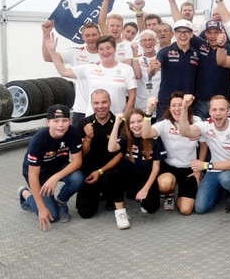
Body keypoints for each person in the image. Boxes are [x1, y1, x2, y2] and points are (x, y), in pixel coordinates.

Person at [178, 94, 230, 214]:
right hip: (216, 168)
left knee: (226, 178)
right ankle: (223, 190)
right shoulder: (206, 124)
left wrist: (205, 166)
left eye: (222, 109)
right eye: (214, 110)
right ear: (210, 112)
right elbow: (185, 131)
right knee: (201, 208)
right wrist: (185, 108)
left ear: (229, 111)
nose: (218, 113)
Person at [18, 105, 84, 230]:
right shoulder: (38, 140)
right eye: (56, 121)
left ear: (69, 121)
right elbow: (33, 176)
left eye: (64, 120)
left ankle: (60, 203)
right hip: (39, 173)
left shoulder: (73, 132)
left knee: (78, 178)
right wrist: (42, 209)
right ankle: (25, 194)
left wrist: (55, 178)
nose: (61, 125)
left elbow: (77, 162)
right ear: (47, 122)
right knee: (52, 216)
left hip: (58, 167)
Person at [45, 34, 137, 116]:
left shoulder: (127, 69)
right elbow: (63, 71)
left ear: (115, 49)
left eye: (108, 48)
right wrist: (52, 51)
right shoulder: (89, 68)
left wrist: (124, 117)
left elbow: (132, 96)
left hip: (117, 119)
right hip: (92, 119)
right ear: (98, 51)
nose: (105, 52)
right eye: (101, 49)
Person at [107, 108, 166, 229]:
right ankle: (120, 213)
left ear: (145, 121)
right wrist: (117, 124)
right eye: (132, 122)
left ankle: (140, 198)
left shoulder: (154, 138)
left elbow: (156, 168)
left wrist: (145, 189)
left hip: (147, 180)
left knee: (151, 207)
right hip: (130, 179)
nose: (136, 125)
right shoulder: (126, 137)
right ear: (128, 125)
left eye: (140, 121)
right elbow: (111, 148)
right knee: (116, 172)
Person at [141, 93, 199, 215]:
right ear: (169, 107)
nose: (177, 109)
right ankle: (169, 194)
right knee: (165, 184)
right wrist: (148, 112)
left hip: (189, 168)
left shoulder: (197, 121)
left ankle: (181, 195)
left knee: (185, 210)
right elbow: (145, 134)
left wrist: (200, 168)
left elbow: (204, 145)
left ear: (187, 105)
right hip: (169, 167)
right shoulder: (164, 123)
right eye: (173, 105)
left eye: (180, 105)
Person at [75, 89, 124, 219]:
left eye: (104, 102)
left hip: (110, 171)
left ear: (110, 103)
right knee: (85, 213)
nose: (100, 106)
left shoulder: (120, 123)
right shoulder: (82, 124)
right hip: (89, 171)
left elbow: (120, 155)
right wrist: (88, 138)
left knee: (116, 174)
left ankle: (110, 195)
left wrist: (101, 171)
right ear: (91, 104)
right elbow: (80, 155)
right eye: (96, 103)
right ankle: (97, 193)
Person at [41, 20, 100, 125]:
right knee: (79, 141)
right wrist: (45, 35)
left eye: (94, 34)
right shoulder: (75, 52)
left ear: (100, 35)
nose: (91, 38)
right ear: (83, 37)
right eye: (87, 35)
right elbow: (48, 57)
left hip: (102, 108)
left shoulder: (107, 53)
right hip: (81, 109)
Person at [151, 19, 200, 118]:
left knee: (186, 132)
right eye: (179, 32)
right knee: (163, 132)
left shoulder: (197, 54)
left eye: (186, 31)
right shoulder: (164, 52)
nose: (183, 35)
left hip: (188, 102)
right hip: (167, 102)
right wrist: (152, 68)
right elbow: (152, 71)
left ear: (191, 34)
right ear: (174, 34)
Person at [191, 19, 230, 119]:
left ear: (222, 33)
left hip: (221, 102)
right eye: (209, 32)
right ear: (205, 34)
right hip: (201, 102)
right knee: (200, 132)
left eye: (216, 32)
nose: (213, 36)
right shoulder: (200, 45)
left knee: (220, 132)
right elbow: (184, 28)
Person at [134, 29, 161, 117]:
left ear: (156, 41)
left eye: (150, 39)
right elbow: (137, 76)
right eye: (144, 40)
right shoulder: (136, 58)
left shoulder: (161, 57)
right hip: (141, 104)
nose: (148, 42)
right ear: (141, 43)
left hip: (159, 103)